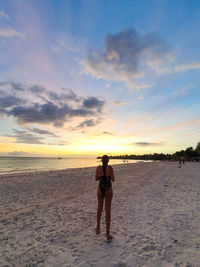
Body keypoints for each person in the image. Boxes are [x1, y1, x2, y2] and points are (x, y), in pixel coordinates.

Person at [95, 155, 115, 241]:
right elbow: (113, 179)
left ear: (101, 161)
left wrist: (100, 176)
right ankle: (107, 233)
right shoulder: (110, 168)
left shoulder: (98, 168)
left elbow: (96, 179)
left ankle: (98, 227)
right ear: (108, 161)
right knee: (107, 211)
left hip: (100, 189)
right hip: (108, 190)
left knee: (99, 208)